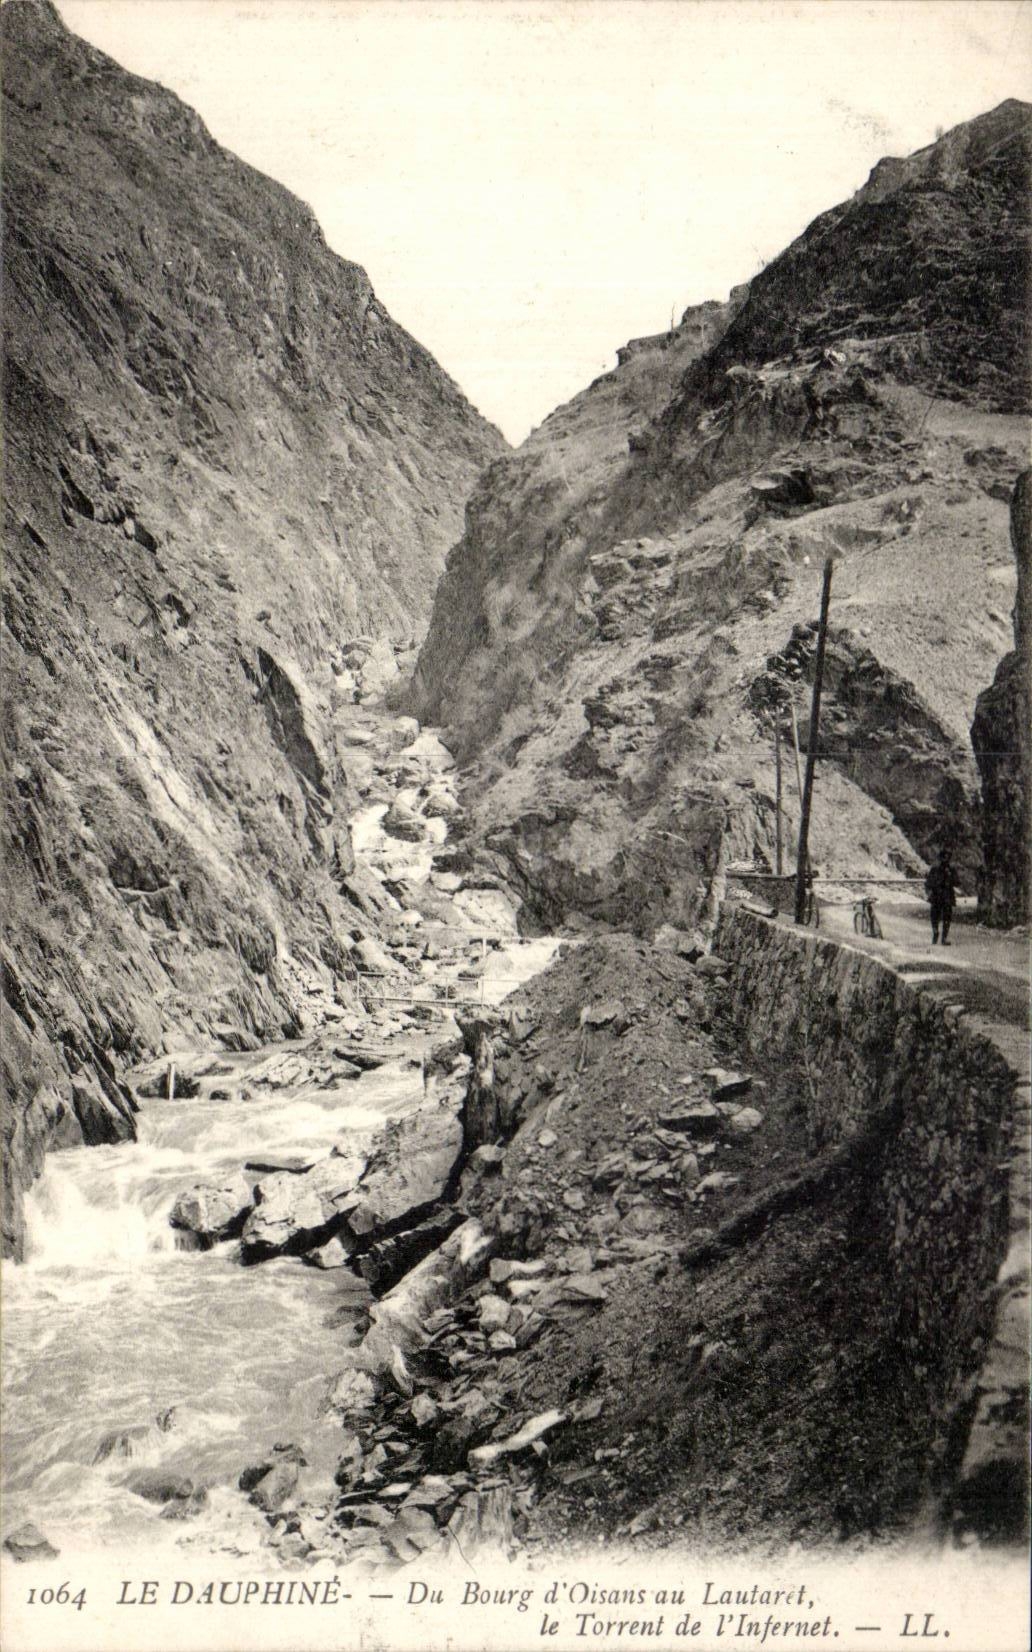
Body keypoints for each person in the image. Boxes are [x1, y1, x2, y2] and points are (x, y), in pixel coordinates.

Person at [925, 848, 958, 945]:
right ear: (941, 858)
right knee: (935, 916)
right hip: (939, 896)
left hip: (945, 896)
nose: (945, 860)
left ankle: (943, 937)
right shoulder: (935, 869)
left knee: (946, 917)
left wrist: (950, 876)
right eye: (944, 857)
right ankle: (936, 932)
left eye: (947, 858)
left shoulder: (951, 870)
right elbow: (929, 883)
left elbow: (957, 882)